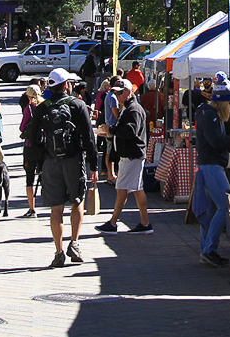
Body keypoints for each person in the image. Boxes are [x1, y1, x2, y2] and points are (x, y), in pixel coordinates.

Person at [27, 68, 98, 267]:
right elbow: (88, 138)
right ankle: (74, 243)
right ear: (66, 85)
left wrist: (38, 165)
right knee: (77, 201)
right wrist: (93, 164)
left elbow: (33, 138)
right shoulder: (78, 105)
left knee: (55, 209)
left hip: (51, 162)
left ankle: (58, 252)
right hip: (73, 160)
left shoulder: (42, 108)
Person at [191, 72, 230, 266]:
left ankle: (207, 248)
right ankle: (209, 248)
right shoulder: (211, 116)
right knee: (224, 205)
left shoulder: (209, 114)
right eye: (229, 103)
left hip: (209, 165)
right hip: (212, 165)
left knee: (211, 209)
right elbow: (217, 142)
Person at [96, 81, 153, 235]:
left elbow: (130, 131)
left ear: (128, 92)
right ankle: (142, 222)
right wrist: (110, 132)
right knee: (132, 189)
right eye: (116, 93)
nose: (117, 96)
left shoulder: (133, 109)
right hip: (130, 154)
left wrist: (111, 130)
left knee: (128, 189)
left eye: (120, 93)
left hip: (132, 155)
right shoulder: (129, 108)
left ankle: (116, 222)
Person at [18, 84, 44, 218]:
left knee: (30, 178)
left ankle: (32, 208)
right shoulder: (45, 107)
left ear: (28, 96)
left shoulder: (29, 109)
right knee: (46, 176)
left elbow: (22, 127)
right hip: (44, 146)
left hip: (30, 145)